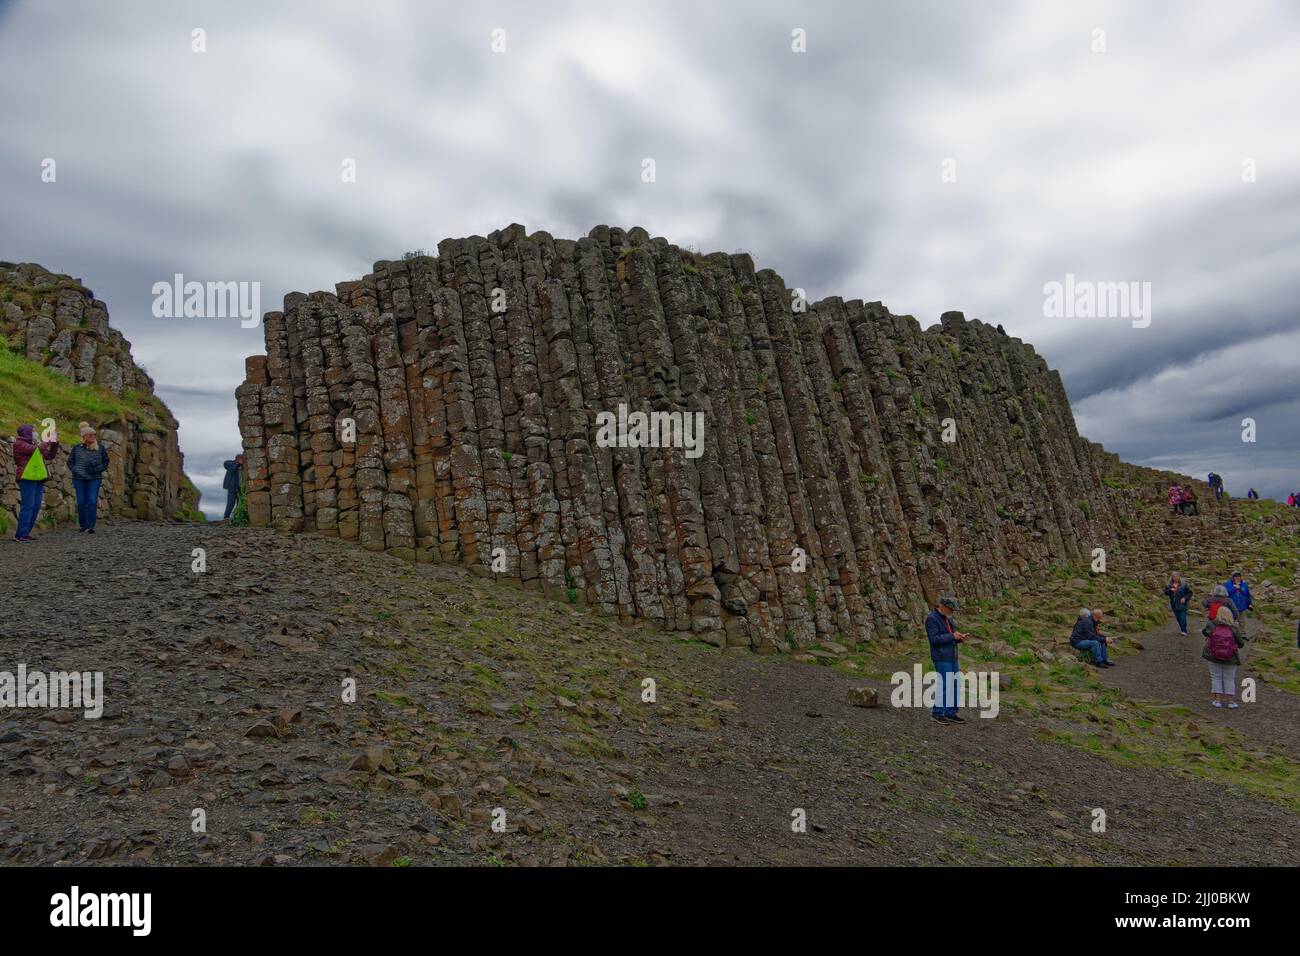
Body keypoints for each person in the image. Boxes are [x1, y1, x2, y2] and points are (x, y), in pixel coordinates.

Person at [11, 423, 60, 541]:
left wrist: (54, 443)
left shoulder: (34, 444)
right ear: (27, 432)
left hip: (38, 478)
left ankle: (26, 533)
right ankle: (21, 534)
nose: (35, 432)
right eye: (33, 430)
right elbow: (36, 450)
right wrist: (48, 439)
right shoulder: (19, 444)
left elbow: (49, 456)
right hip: (27, 478)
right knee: (27, 506)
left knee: (36, 506)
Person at [925, 596, 968, 724]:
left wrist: (959, 638)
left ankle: (950, 712)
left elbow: (950, 637)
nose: (952, 612)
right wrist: (952, 636)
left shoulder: (947, 619)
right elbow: (935, 639)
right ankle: (937, 713)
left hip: (952, 656)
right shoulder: (932, 618)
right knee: (944, 685)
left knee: (955, 684)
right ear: (943, 606)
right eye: (950, 609)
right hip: (942, 657)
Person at [1203, 604, 1246, 709]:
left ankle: (1217, 701)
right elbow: (1241, 644)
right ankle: (1230, 702)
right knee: (1229, 678)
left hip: (1213, 655)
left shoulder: (1212, 625)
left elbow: (1205, 632)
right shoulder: (1234, 628)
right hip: (1230, 657)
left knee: (1216, 677)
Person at [67, 428, 110, 534]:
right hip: (79, 479)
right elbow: (70, 461)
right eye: (89, 435)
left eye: (93, 434)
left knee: (91, 501)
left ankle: (90, 526)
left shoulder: (100, 448)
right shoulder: (77, 448)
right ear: (84, 437)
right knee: (81, 503)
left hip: (94, 478)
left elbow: (106, 461)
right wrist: (75, 470)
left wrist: (99, 469)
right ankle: (83, 525)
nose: (92, 436)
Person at [1163, 572, 1192, 637]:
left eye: (1176, 576)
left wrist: (1184, 598)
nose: (1175, 577)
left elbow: (1189, 593)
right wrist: (1170, 590)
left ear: (1179, 577)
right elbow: (1165, 592)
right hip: (1174, 604)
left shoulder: (1184, 584)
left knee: (1183, 617)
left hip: (1182, 604)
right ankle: (1182, 629)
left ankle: (1184, 631)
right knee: (1178, 618)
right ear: (1172, 577)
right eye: (1173, 576)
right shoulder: (1169, 585)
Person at [222, 454, 244, 520]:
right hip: (232, 486)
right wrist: (237, 464)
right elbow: (232, 470)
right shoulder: (230, 463)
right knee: (231, 502)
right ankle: (226, 517)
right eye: (242, 459)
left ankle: (237, 517)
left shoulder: (243, 466)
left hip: (240, 487)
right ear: (238, 459)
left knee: (240, 502)